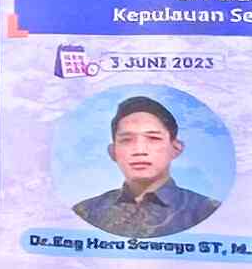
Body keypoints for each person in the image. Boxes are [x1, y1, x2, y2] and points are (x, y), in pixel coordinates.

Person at [73, 97, 219, 239]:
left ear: (176, 148)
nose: (139, 150)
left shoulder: (207, 211)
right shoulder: (86, 212)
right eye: (126, 140)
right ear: (112, 152)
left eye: (154, 138)